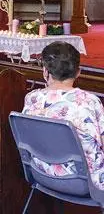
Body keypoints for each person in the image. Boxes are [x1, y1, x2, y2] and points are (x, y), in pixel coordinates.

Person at [23, 41, 104, 189]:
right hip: (85, 181)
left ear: (45, 71)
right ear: (78, 72)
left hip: (41, 173)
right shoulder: (90, 102)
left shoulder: (31, 98)